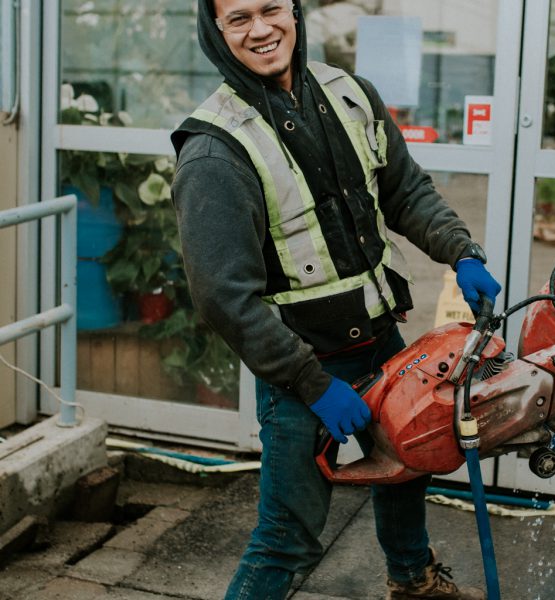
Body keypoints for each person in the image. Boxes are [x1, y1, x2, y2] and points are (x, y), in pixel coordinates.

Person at [171, 1, 501, 598]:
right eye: (239, 18)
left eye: (272, 8)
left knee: (407, 468)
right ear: (214, 30)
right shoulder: (214, 149)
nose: (262, 28)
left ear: (295, 12)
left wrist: (461, 252)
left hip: (379, 337)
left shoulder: (351, 93)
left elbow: (402, 189)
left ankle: (413, 583)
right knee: (287, 535)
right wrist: (313, 385)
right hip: (302, 364)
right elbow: (225, 299)